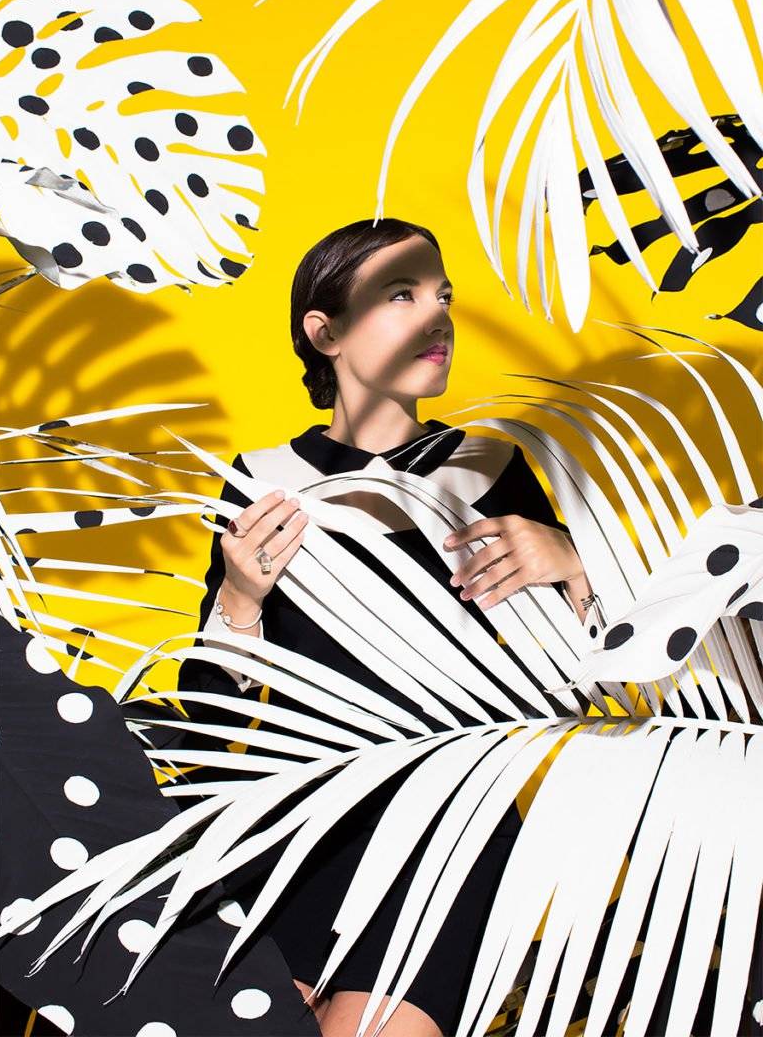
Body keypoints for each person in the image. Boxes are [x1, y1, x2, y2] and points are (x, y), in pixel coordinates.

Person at [180, 218, 596, 1037]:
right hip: (292, 826)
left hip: (446, 829)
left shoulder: (488, 469)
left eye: (443, 297)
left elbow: (590, 677)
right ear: (324, 332)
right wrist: (240, 595)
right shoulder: (262, 480)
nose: (436, 317)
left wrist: (574, 562)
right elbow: (206, 707)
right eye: (400, 295)